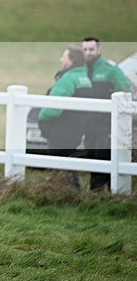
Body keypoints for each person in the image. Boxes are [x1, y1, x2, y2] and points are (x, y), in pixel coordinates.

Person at [80, 37, 133, 191]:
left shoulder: (111, 70)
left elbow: (126, 92)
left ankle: (102, 194)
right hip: (88, 125)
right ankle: (100, 196)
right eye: (85, 50)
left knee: (102, 159)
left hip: (106, 126)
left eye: (91, 49)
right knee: (91, 159)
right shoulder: (81, 70)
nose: (88, 53)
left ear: (99, 50)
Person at [37, 46, 93, 187]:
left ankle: (62, 195)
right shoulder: (84, 78)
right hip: (77, 128)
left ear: (71, 61)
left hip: (61, 129)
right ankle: (73, 195)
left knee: (58, 165)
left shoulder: (68, 79)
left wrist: (41, 119)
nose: (61, 59)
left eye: (64, 57)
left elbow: (53, 108)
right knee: (69, 164)